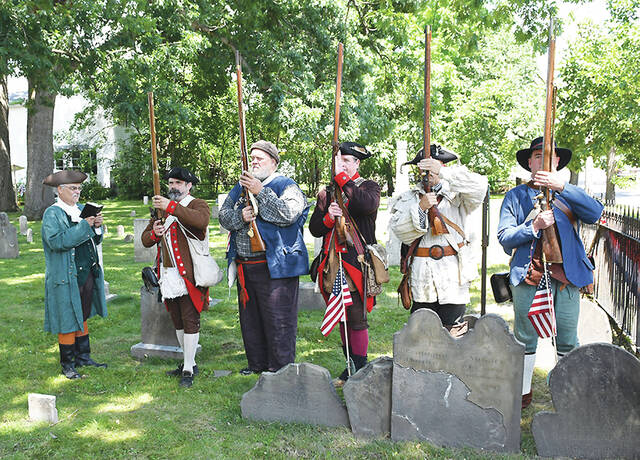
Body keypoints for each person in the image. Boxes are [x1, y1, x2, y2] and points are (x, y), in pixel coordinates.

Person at [497, 137, 603, 408]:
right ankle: (522, 394)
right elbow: (505, 237)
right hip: (529, 275)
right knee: (525, 337)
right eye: (536, 155)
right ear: (529, 162)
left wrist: (562, 188)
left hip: (566, 278)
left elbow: (595, 213)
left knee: (567, 337)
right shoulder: (516, 196)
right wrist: (533, 226)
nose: (543, 160)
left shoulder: (569, 193)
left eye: (549, 156)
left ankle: (568, 395)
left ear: (556, 162)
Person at [219, 140, 309, 375]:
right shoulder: (239, 188)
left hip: (276, 266)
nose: (255, 161)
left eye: (260, 157)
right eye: (253, 157)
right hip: (246, 266)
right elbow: (223, 216)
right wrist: (241, 216)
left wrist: (261, 192)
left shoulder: (286, 185)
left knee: (279, 321)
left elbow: (288, 214)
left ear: (274, 162)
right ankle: (256, 364)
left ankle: (280, 370)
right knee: (251, 321)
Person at [390, 145, 488, 332]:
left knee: (454, 331)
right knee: (421, 332)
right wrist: (420, 207)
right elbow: (401, 232)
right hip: (422, 274)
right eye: (424, 168)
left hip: (453, 274)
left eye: (432, 167)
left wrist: (443, 172)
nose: (428, 173)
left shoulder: (458, 194)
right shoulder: (408, 198)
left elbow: (480, 186)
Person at [309, 142, 381, 386]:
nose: (342, 165)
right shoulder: (326, 193)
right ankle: (350, 365)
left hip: (357, 263)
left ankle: (360, 368)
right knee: (340, 316)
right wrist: (329, 216)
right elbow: (315, 228)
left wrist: (341, 177)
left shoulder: (367, 187)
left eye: (347, 161)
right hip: (332, 263)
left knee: (357, 317)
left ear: (357, 163)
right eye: (339, 161)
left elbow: (365, 205)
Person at [141, 167, 211, 388]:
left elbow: (200, 222)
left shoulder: (196, 204)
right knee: (178, 321)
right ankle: (187, 362)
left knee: (190, 320)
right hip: (167, 274)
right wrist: (155, 233)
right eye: (171, 183)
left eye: (178, 183)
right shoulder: (161, 210)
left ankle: (189, 369)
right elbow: (145, 239)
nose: (173, 187)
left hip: (189, 274)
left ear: (189, 186)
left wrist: (170, 207)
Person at [42, 170, 107, 379]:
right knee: (68, 317)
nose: (77, 192)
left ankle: (83, 357)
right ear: (60, 190)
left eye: (79, 188)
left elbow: (93, 241)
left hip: (85, 272)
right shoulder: (52, 214)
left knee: (83, 312)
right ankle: (68, 364)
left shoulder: (80, 210)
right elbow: (57, 242)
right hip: (65, 275)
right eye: (73, 188)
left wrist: (97, 227)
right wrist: (84, 226)